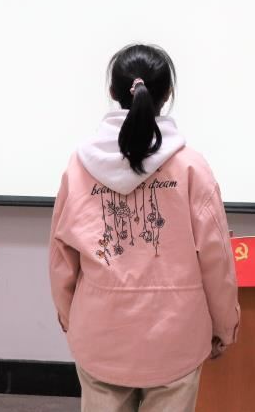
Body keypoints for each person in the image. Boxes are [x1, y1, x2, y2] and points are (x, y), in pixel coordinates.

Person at [49, 44, 239, 412]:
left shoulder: (79, 165)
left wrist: (72, 318)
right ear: (167, 95)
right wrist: (224, 326)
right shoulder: (191, 167)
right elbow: (216, 258)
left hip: (101, 332)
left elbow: (61, 259)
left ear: (113, 92)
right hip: (176, 335)